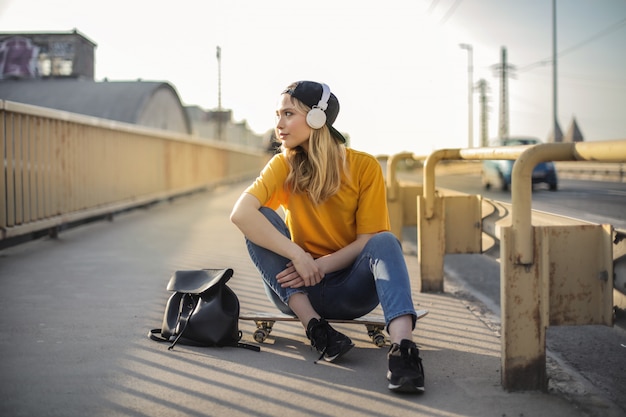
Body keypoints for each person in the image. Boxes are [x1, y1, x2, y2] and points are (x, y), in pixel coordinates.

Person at [230, 81, 425, 393]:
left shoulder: (364, 167)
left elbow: (366, 240)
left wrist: (320, 265)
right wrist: (298, 255)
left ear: (317, 119)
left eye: (288, 113)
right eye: (277, 114)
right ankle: (317, 330)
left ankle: (404, 351)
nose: (278, 124)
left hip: (350, 291)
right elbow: (240, 214)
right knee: (259, 218)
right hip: (295, 291)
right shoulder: (284, 164)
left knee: (385, 241)